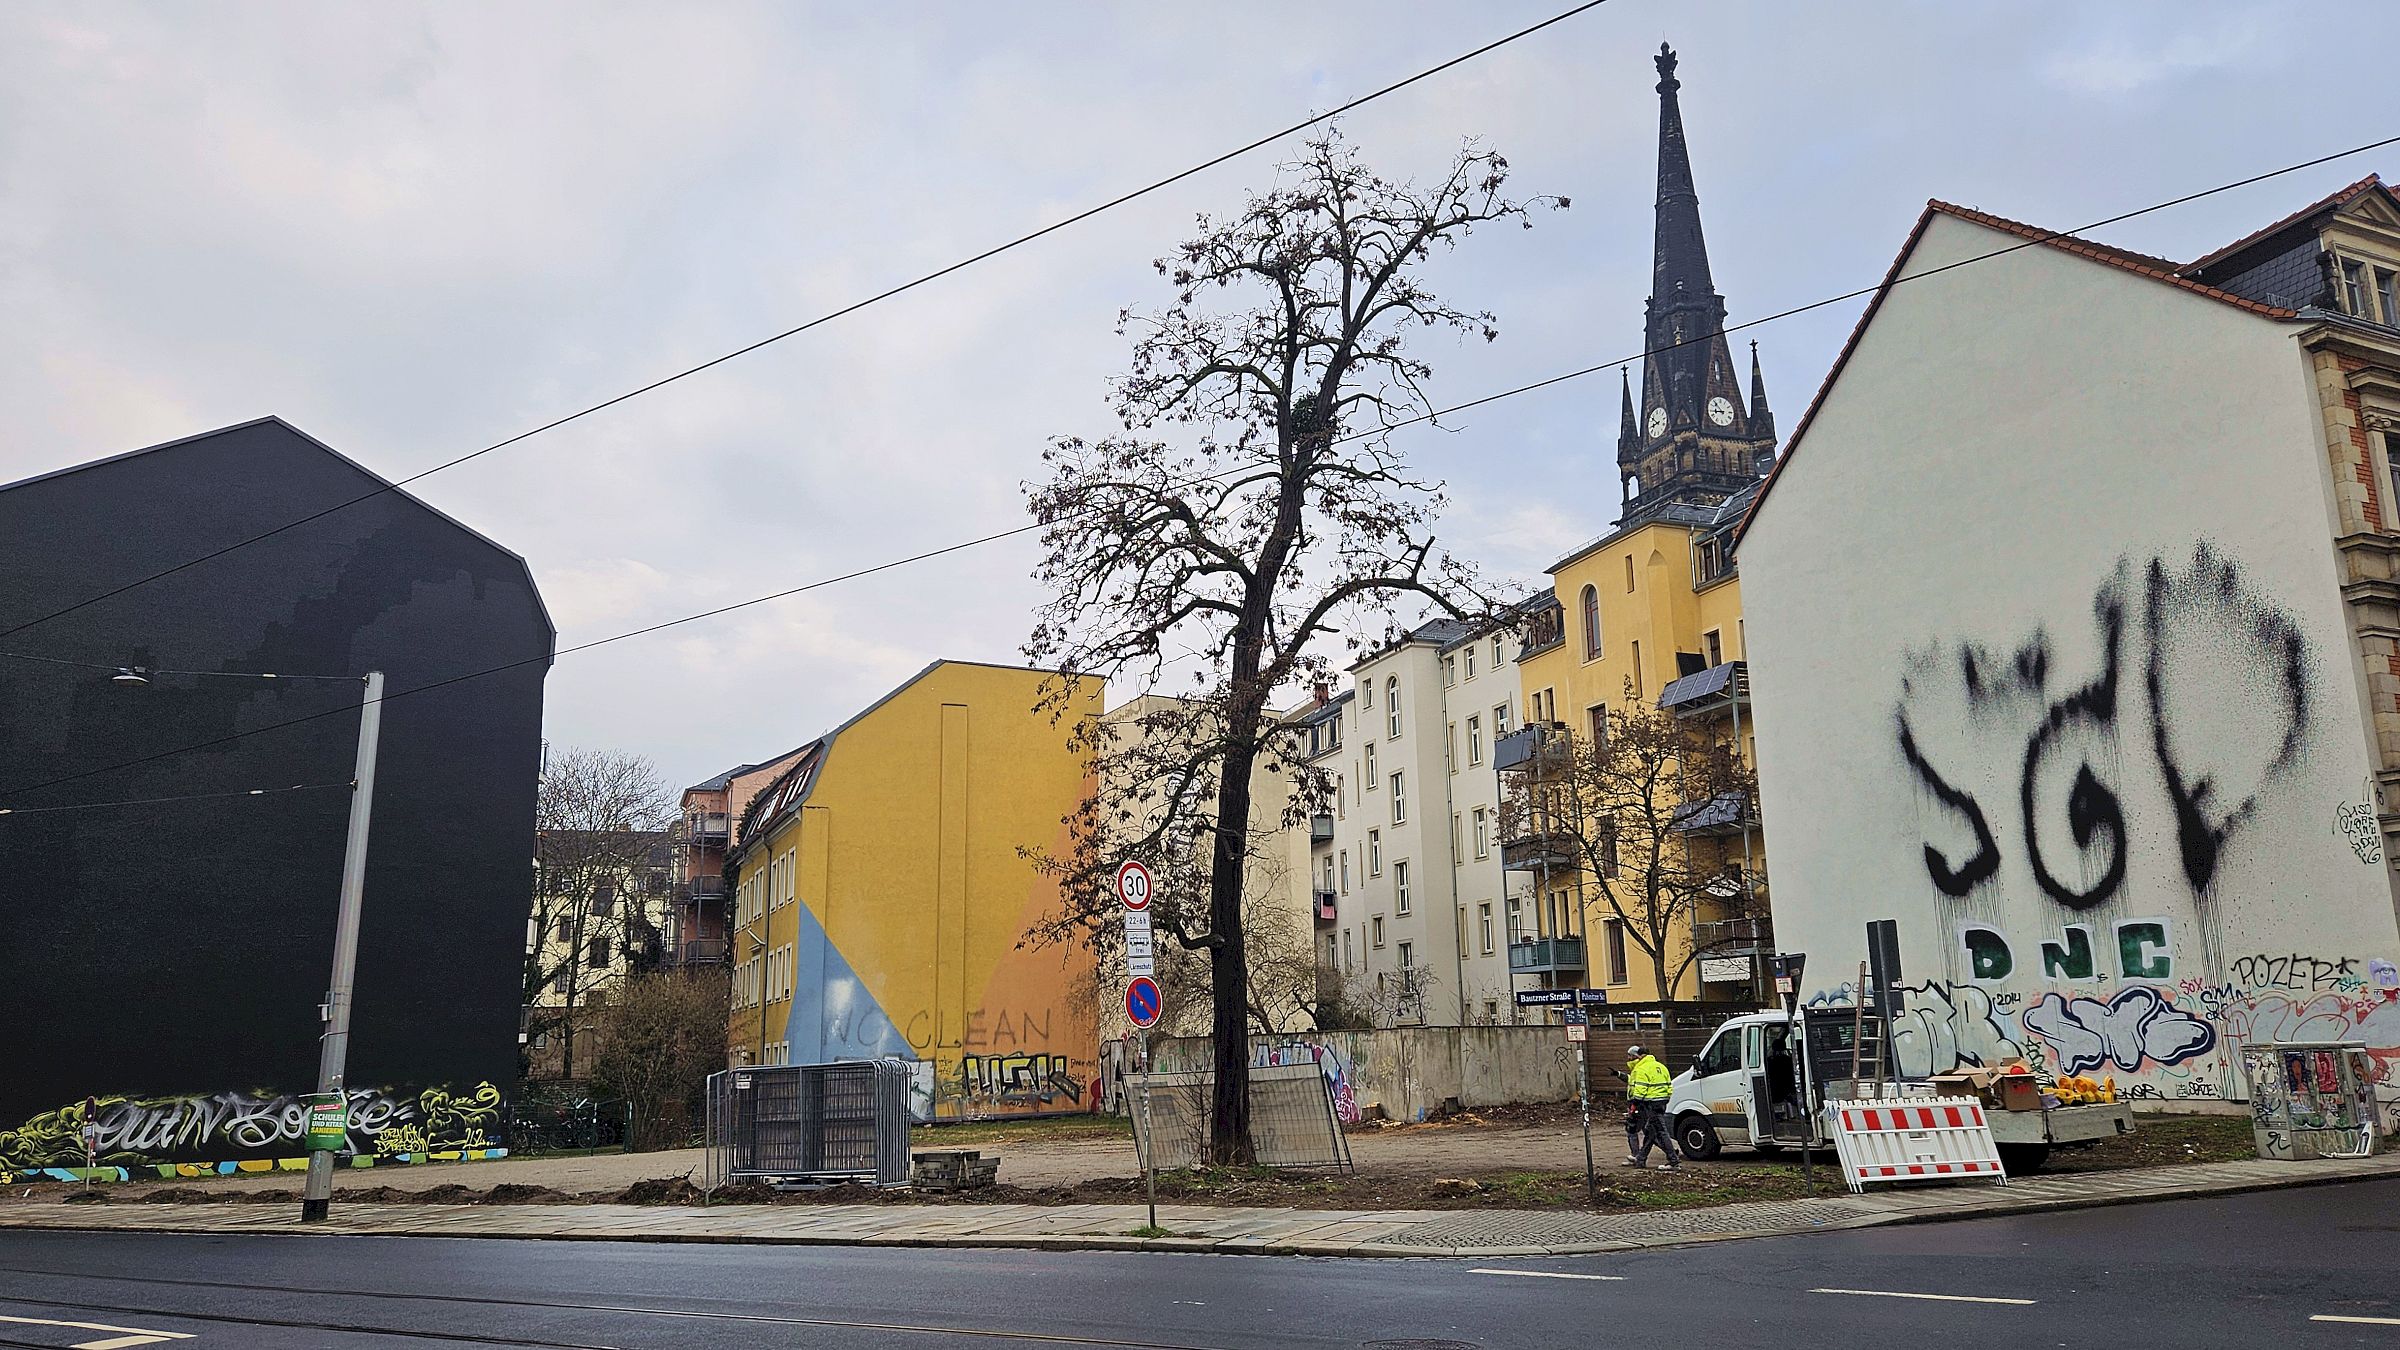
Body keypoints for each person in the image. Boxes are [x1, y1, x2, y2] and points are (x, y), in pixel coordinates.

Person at [1622, 1044, 1679, 1170]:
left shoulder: (1641, 1069)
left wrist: (1635, 1104)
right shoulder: (1661, 1066)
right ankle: (1641, 1159)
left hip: (1650, 1104)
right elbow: (1669, 1086)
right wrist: (1665, 1098)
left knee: (1661, 1132)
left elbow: (1641, 1089)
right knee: (1651, 1131)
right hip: (1662, 1102)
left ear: (1640, 1056)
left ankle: (1673, 1160)